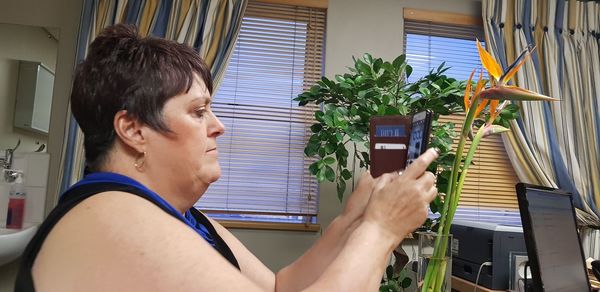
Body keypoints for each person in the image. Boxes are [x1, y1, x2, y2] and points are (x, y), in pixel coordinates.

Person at [15, 24, 439, 292]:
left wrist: (355, 221)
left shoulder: (185, 218)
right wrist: (382, 230)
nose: (218, 126)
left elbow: (280, 286)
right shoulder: (108, 216)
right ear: (133, 129)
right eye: (198, 112)